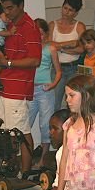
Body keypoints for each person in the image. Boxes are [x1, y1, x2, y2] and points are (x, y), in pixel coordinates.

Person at [0, 0, 42, 176]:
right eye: (4, 8)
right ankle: (9, 171)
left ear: (21, 5)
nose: (7, 12)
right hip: (3, 87)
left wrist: (7, 62)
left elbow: (35, 60)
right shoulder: (9, 26)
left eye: (10, 7)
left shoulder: (29, 27)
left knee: (20, 132)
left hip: (17, 89)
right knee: (1, 133)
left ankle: (26, 174)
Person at [13, 109, 70, 190]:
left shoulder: (76, 152)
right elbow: (56, 188)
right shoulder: (60, 152)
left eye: (55, 129)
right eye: (50, 128)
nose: (50, 133)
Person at [28, 18, 61, 167]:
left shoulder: (50, 49)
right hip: (30, 90)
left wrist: (53, 84)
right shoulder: (29, 48)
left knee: (45, 125)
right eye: (36, 33)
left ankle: (43, 159)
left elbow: (58, 72)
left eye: (41, 34)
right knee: (25, 122)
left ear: (46, 34)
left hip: (44, 90)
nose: (38, 36)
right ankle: (26, 158)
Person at [48, 0, 86, 111]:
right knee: (55, 103)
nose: (66, 12)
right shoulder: (52, 25)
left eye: (70, 10)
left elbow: (81, 49)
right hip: (57, 67)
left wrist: (60, 47)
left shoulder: (79, 26)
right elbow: (49, 46)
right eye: (65, 8)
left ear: (76, 13)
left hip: (74, 68)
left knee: (73, 104)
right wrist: (71, 43)